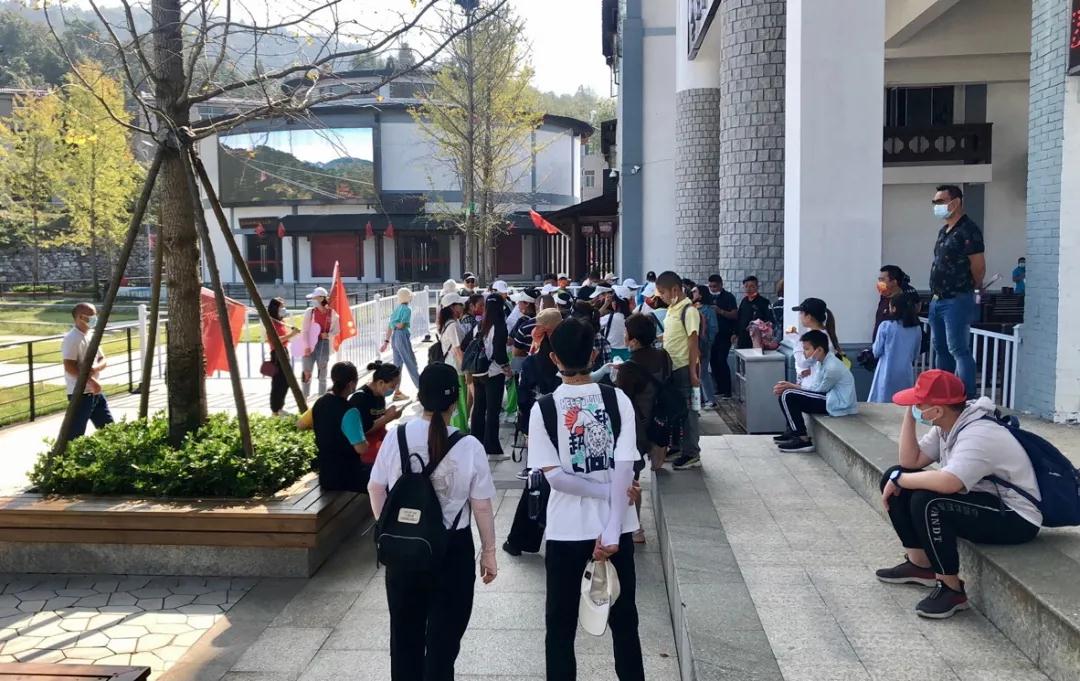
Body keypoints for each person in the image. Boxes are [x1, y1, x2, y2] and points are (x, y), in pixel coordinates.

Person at [526, 318, 645, 681]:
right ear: (594, 355)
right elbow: (625, 466)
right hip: (617, 527)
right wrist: (611, 522)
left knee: (560, 627)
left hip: (566, 529)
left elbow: (556, 477)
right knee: (625, 623)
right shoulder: (616, 398)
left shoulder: (544, 408)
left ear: (553, 358)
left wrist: (603, 492)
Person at [368, 363, 498, 679]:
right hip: (452, 551)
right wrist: (489, 553)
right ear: (455, 401)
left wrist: (388, 528)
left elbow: (375, 487)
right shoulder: (469, 446)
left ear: (421, 396)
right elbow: (481, 506)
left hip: (404, 549)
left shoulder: (397, 436)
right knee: (443, 644)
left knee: (404, 638)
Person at [876, 370, 1040, 619]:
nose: (916, 407)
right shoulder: (948, 424)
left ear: (937, 410)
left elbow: (949, 483)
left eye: (919, 404)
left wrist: (900, 479)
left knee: (927, 500)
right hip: (983, 499)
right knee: (896, 474)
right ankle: (920, 565)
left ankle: (951, 589)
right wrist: (910, 415)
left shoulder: (979, 433)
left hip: (1016, 516)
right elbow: (910, 461)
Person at [616, 313, 674, 541]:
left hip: (637, 429)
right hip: (660, 422)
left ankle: (636, 528)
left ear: (634, 340)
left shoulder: (628, 368)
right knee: (641, 472)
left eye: (626, 333)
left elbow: (623, 401)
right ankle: (634, 526)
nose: (624, 336)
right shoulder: (663, 356)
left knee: (632, 476)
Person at [928, 184, 985, 399]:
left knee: (958, 349)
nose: (937, 206)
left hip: (957, 299)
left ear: (955, 202)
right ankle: (944, 394)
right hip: (938, 299)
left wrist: (970, 287)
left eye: (940, 201)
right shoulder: (944, 231)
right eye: (935, 202)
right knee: (941, 348)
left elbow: (978, 267)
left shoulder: (968, 230)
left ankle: (967, 397)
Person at [772, 329, 857, 453]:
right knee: (785, 394)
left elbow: (818, 391)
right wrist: (791, 386)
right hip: (827, 397)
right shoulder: (821, 362)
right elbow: (814, 387)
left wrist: (792, 387)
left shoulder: (832, 367)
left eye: (807, 349)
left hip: (838, 403)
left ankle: (802, 439)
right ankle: (793, 431)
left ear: (819, 350)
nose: (804, 353)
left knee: (788, 394)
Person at [656, 271, 701, 470]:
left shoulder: (689, 311)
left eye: (663, 293)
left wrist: (693, 372)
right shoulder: (672, 309)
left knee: (688, 411)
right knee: (675, 409)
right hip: (670, 367)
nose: (662, 297)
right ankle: (676, 446)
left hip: (683, 367)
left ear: (674, 289)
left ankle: (691, 452)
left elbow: (693, 342)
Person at [311, 361, 372, 491]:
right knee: (386, 477)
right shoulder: (350, 411)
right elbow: (361, 449)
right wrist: (366, 443)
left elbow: (301, 424)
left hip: (326, 475)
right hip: (348, 476)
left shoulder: (320, 402)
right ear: (351, 384)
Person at [60, 302, 113, 438]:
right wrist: (91, 382)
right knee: (75, 433)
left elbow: (102, 359)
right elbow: (69, 366)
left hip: (94, 392)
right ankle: (65, 451)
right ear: (80, 317)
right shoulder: (72, 339)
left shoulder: (90, 335)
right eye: (90, 315)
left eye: (95, 314)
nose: (94, 318)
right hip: (81, 394)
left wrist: (95, 368)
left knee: (109, 428)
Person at [470, 295, 511, 458]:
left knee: (479, 408)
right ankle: (492, 447)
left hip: (477, 371)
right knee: (493, 411)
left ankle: (475, 442)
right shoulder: (500, 325)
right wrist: (506, 367)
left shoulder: (480, 324)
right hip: (494, 372)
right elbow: (499, 352)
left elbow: (468, 343)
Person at [868, 294, 923, 403]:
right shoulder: (917, 329)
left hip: (886, 371)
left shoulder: (886, 326)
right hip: (906, 373)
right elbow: (916, 354)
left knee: (883, 402)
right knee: (904, 402)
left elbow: (876, 351)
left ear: (894, 308)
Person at [348, 361, 405, 463]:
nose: (394, 390)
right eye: (392, 386)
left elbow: (376, 417)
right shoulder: (360, 398)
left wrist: (390, 414)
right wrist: (388, 417)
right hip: (364, 448)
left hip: (378, 439)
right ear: (380, 383)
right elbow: (364, 430)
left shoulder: (380, 395)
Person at [791, 298, 847, 390]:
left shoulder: (819, 337)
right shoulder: (821, 334)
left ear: (808, 316)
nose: (799, 316)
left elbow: (802, 362)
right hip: (813, 386)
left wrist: (796, 340)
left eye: (801, 313)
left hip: (814, 388)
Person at [380, 288, 421, 400]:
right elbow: (402, 325)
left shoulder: (397, 309)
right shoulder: (407, 309)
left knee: (397, 367)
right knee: (411, 363)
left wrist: (386, 342)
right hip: (402, 336)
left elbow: (390, 326)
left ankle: (396, 392)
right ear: (408, 297)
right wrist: (396, 323)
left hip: (394, 337)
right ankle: (421, 390)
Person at [300, 286, 340, 397]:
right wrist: (306, 346)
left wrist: (328, 335)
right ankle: (304, 398)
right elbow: (305, 331)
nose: (313, 300)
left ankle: (321, 397)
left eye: (315, 298)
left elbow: (337, 330)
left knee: (322, 373)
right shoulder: (310, 312)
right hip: (309, 344)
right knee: (306, 372)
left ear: (322, 298)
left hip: (324, 344)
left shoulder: (332, 313)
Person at [438, 294, 470, 431]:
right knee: (460, 402)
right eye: (460, 304)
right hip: (457, 369)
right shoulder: (453, 326)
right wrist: (467, 371)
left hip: (453, 367)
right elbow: (458, 351)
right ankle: (460, 430)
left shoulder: (449, 324)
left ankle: (460, 428)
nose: (462, 307)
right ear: (452, 307)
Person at [267, 297, 300, 416]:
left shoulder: (280, 321)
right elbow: (275, 340)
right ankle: (275, 409)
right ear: (275, 308)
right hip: (277, 354)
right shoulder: (270, 323)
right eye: (281, 307)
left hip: (284, 351)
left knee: (285, 381)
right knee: (278, 382)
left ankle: (279, 407)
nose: (283, 309)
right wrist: (292, 334)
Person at [707, 275, 737, 399]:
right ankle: (719, 388)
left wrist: (720, 311)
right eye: (710, 286)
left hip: (725, 334)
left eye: (715, 286)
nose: (712, 289)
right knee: (713, 361)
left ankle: (727, 390)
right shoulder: (708, 297)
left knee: (721, 360)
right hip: (712, 335)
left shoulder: (728, 297)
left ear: (720, 285)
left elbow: (734, 315)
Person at [691, 285, 719, 408]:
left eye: (695, 291)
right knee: (697, 372)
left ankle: (710, 399)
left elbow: (714, 328)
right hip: (694, 344)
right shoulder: (692, 308)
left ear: (701, 295)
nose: (692, 293)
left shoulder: (708, 310)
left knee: (703, 373)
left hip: (703, 344)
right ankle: (702, 398)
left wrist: (707, 342)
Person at [876, 265, 921, 338]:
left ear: (894, 282)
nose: (879, 283)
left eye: (882, 280)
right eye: (879, 280)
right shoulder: (884, 296)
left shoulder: (903, 301)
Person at [735, 276, 773, 349]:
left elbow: (769, 321)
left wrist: (757, 325)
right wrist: (735, 333)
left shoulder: (764, 302)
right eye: (746, 286)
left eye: (752, 286)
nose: (748, 289)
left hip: (757, 339)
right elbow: (739, 318)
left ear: (757, 287)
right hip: (743, 338)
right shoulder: (744, 301)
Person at [598, 286, 632, 361]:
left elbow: (594, 320)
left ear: (616, 303)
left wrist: (605, 304)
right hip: (628, 353)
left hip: (611, 353)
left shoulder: (609, 318)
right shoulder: (632, 318)